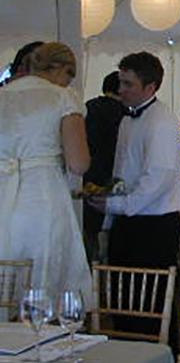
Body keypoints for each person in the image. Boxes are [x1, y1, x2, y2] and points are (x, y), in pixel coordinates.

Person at [87, 51, 180, 345]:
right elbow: (123, 171)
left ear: (150, 87)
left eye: (128, 84)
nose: (121, 90)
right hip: (127, 221)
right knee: (123, 300)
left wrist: (115, 205)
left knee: (151, 305)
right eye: (121, 82)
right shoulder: (128, 119)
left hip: (154, 227)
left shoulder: (162, 123)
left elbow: (157, 179)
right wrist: (109, 209)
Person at [0, 42, 93, 309]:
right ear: (63, 69)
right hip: (41, 195)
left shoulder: (3, 94)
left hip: (3, 191)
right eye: (68, 76)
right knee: (46, 268)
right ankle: (45, 331)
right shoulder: (64, 98)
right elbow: (79, 163)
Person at [82, 72, 126, 263]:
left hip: (89, 173)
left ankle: (91, 269)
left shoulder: (88, 107)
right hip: (114, 175)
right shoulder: (124, 113)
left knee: (89, 228)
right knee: (111, 228)